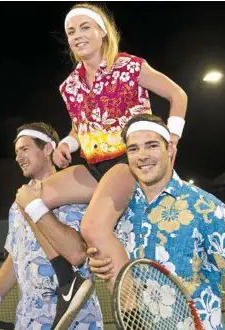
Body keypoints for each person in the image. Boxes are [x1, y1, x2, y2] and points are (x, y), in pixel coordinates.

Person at [17, 2, 188, 325]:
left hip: (127, 162)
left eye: (85, 27)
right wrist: (67, 144)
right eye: (71, 31)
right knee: (28, 196)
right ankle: (69, 278)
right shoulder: (69, 86)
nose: (78, 35)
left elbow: (178, 95)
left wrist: (173, 137)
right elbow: (80, 128)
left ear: (102, 32)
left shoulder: (131, 67)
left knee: (94, 227)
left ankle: (133, 311)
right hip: (93, 167)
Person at [87, 113, 225, 330]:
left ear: (170, 149)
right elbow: (114, 259)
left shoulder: (207, 208)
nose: (142, 155)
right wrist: (100, 262)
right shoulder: (120, 210)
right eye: (133, 149)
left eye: (152, 145)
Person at [0, 122, 103, 330]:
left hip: (78, 322)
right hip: (29, 321)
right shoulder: (16, 205)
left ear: (48, 148)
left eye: (25, 149)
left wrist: (33, 206)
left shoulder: (78, 192)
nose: (18, 157)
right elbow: (17, 256)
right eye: (16, 152)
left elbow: (78, 252)